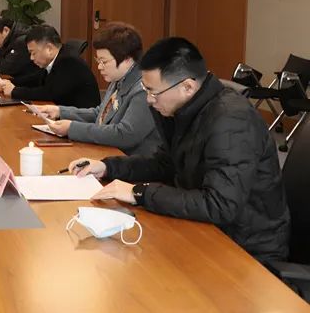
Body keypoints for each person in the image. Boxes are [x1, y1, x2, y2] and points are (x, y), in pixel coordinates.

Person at [68, 37, 290, 263]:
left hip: (245, 246)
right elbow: (165, 164)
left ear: (187, 87)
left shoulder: (232, 121)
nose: (149, 100)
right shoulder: (180, 108)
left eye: (153, 92)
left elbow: (220, 205)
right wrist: (107, 167)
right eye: (145, 89)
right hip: (204, 226)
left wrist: (139, 193)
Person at [35, 23, 162, 156]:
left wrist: (72, 128)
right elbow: (100, 114)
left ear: (127, 59)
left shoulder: (144, 89)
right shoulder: (119, 78)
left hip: (132, 160)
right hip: (109, 152)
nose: (100, 67)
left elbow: (125, 135)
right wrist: (60, 111)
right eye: (98, 61)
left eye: (104, 62)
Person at [1, 25, 100, 108]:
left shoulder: (68, 61)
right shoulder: (57, 57)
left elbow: (49, 93)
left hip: (80, 119)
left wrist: (14, 91)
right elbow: (37, 78)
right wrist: (12, 82)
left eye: (33, 53)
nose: (31, 58)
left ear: (49, 49)